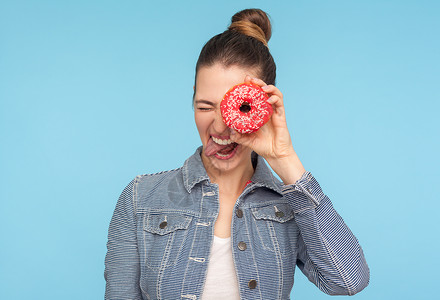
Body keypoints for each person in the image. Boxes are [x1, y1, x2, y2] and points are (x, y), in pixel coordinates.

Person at [104, 8, 370, 300]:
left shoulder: (291, 204)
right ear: (192, 98)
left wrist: (284, 158)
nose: (219, 126)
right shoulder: (141, 198)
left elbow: (348, 280)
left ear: (265, 106)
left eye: (237, 107)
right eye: (205, 106)